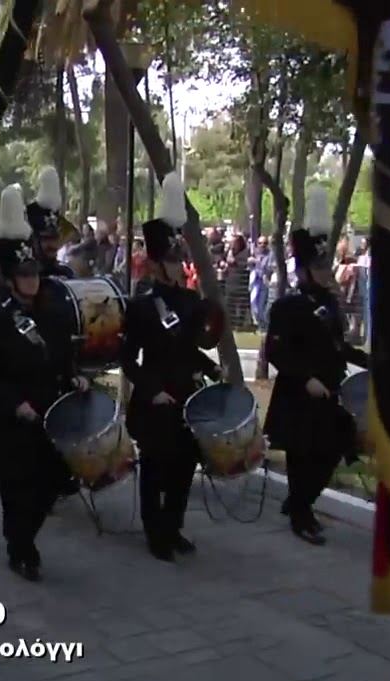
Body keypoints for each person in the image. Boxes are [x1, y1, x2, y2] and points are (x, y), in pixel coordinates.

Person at [0, 184, 86, 580]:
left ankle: (25, 537)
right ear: (12, 277)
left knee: (49, 485)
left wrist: (73, 377)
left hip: (47, 411)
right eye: (24, 275)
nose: (32, 280)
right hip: (13, 416)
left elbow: (61, 356)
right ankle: (19, 547)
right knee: (17, 489)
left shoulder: (51, 311)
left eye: (34, 273)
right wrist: (13, 402)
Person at [120, 173, 222, 562]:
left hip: (188, 395)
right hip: (156, 396)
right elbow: (128, 359)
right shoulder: (143, 305)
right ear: (156, 264)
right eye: (172, 259)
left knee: (183, 466)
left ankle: (173, 526)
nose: (179, 265)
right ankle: (154, 532)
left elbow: (189, 351)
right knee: (155, 469)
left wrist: (211, 371)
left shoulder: (193, 303)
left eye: (180, 258)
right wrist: (150, 389)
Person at [264, 188, 368, 546]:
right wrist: (305, 378)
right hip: (298, 395)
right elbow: (275, 352)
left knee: (338, 442)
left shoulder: (331, 303)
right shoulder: (288, 306)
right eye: (319, 267)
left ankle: (298, 503)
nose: (327, 273)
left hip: (328, 392)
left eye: (327, 266)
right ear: (305, 269)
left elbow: (339, 347)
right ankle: (300, 514)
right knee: (302, 456)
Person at [25, 166, 76, 279]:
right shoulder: (31, 210)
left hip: (50, 263)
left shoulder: (53, 211)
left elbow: (72, 233)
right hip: (36, 264)